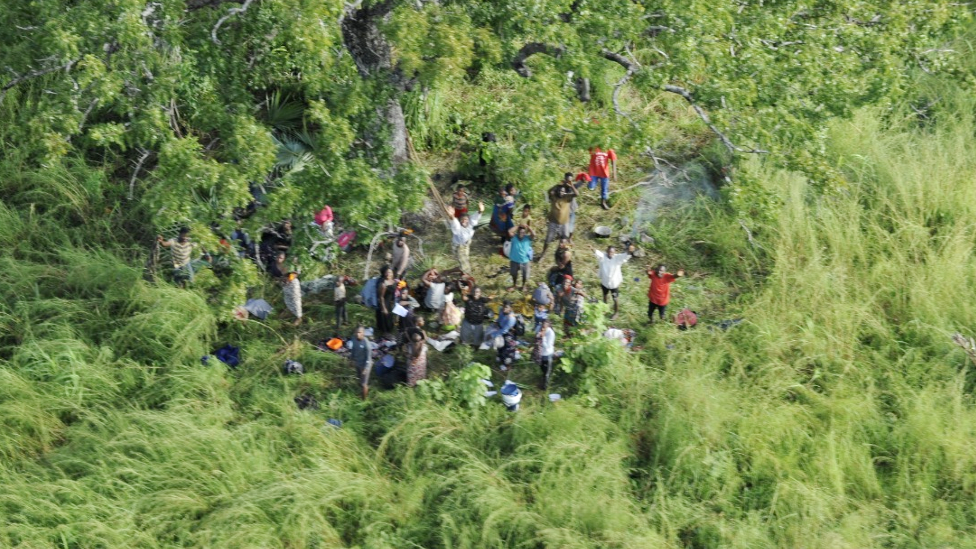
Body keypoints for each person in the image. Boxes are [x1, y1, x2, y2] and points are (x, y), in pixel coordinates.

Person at [537, 174, 578, 261]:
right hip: (553, 222)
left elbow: (576, 194)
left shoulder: (567, 197)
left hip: (564, 223)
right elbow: (549, 191)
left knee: (565, 239)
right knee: (548, 239)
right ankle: (543, 255)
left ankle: (566, 254)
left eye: (563, 191)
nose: (561, 192)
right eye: (560, 191)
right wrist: (559, 185)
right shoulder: (554, 197)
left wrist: (572, 185)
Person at [593, 243, 635, 319]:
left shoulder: (617, 258)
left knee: (615, 298)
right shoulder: (603, 257)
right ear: (606, 251)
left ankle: (616, 313)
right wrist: (592, 248)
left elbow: (624, 256)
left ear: (614, 252)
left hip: (614, 283)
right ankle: (604, 309)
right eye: (609, 252)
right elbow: (597, 253)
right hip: (605, 282)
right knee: (605, 296)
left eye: (612, 252)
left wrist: (629, 251)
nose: (610, 253)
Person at [445, 201, 485, 274]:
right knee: (466, 268)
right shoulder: (458, 227)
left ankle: (448, 271)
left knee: (464, 263)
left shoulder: (471, 223)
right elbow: (454, 221)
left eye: (466, 219)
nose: (464, 221)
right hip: (458, 247)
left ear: (468, 219)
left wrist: (480, 210)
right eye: (462, 220)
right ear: (459, 220)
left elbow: (476, 217)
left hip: (466, 244)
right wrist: (451, 215)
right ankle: (466, 276)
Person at [347, 325, 377, 399]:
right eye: (356, 332)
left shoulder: (366, 343)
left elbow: (368, 358)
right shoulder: (354, 339)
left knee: (364, 384)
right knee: (359, 379)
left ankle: (364, 400)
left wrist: (365, 368)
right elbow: (353, 349)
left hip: (365, 364)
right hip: (358, 363)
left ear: (363, 333)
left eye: (360, 332)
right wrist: (351, 359)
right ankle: (361, 391)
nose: (358, 334)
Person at [507, 224, 534, 292]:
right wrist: (518, 226)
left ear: (525, 233)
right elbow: (509, 231)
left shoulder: (527, 238)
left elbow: (533, 234)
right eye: (519, 232)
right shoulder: (514, 237)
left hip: (525, 261)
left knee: (525, 275)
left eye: (523, 232)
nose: (521, 233)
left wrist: (528, 227)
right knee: (514, 274)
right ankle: (514, 285)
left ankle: (523, 285)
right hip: (514, 260)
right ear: (517, 231)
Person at [376, 267, 398, 337]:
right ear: (384, 273)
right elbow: (381, 297)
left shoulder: (394, 281)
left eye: (390, 272)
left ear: (392, 273)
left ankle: (389, 331)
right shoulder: (383, 283)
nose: (389, 274)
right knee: (384, 317)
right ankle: (384, 333)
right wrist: (384, 308)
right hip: (384, 303)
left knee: (390, 318)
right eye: (387, 272)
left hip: (390, 303)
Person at [535, 319, 556, 389]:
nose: (543, 327)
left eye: (545, 325)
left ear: (548, 325)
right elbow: (537, 336)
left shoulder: (551, 333)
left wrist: (543, 337)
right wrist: (539, 334)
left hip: (547, 354)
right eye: (543, 325)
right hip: (541, 353)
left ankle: (544, 387)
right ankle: (543, 378)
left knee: (546, 372)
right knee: (542, 368)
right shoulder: (542, 329)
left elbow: (547, 346)